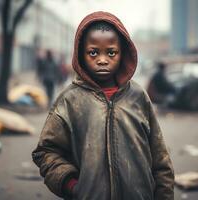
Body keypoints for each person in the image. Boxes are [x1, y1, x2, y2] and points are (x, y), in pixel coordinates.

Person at [32, 11, 174, 200]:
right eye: (93, 52)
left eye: (111, 52)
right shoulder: (69, 100)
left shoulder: (138, 97)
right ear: (80, 54)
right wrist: (71, 185)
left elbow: (160, 158)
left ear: (122, 53)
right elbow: (46, 152)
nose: (102, 59)